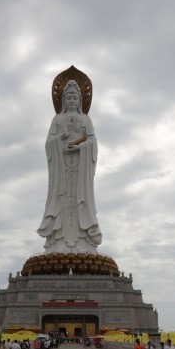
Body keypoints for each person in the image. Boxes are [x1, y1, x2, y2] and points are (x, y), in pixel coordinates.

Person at [38, 79, 102, 253]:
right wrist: (60, 138)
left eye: (75, 98)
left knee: (80, 198)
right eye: (69, 98)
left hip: (80, 168)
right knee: (62, 197)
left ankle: (83, 240)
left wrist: (81, 146)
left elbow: (92, 142)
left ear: (80, 101)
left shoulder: (86, 119)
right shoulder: (57, 119)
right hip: (62, 167)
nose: (72, 101)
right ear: (63, 100)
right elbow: (48, 144)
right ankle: (58, 242)